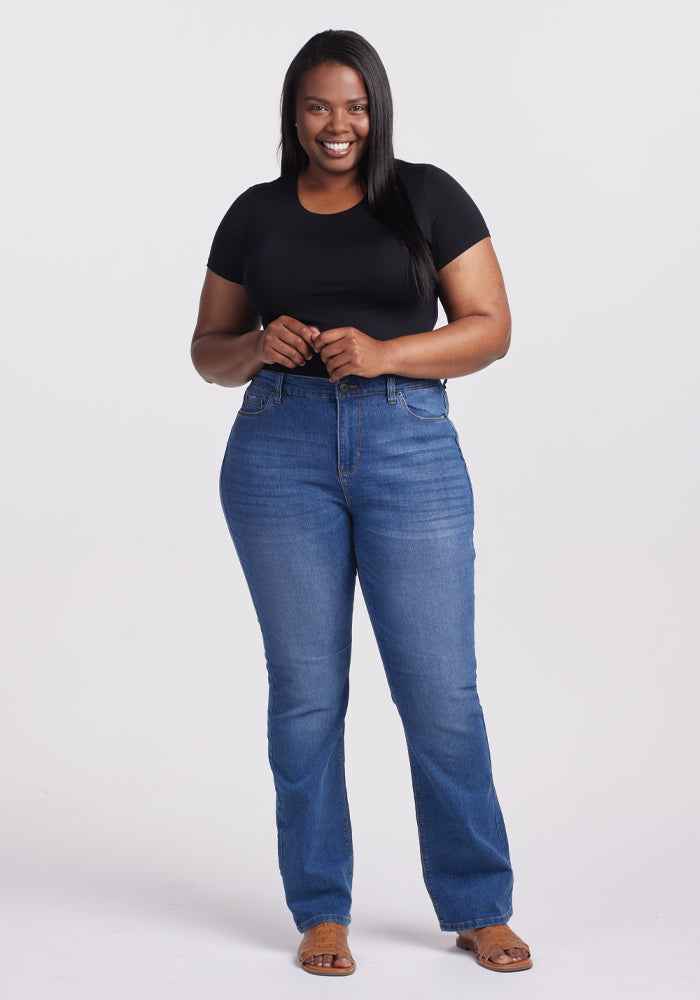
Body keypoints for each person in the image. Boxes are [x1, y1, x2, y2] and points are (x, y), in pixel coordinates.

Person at [191, 29, 531, 977]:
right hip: (278, 452)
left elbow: (491, 327)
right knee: (305, 697)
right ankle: (320, 910)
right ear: (293, 115)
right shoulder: (254, 214)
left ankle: (476, 903)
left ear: (376, 110)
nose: (337, 125)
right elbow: (206, 350)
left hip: (408, 445)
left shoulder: (424, 195)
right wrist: (258, 345)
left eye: (355, 106)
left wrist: (384, 354)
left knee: (441, 692)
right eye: (317, 106)